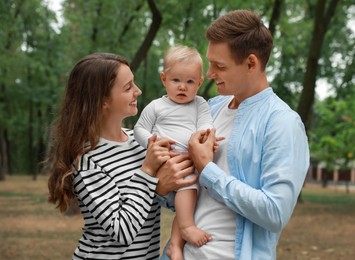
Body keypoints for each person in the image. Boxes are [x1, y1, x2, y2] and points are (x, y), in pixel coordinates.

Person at [162, 9, 310, 260]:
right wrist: (164, 186)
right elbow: (189, 191)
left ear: (251, 63)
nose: (209, 73)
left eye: (219, 65)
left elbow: (275, 213)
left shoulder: (282, 123)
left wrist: (208, 169)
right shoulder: (209, 109)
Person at [46, 53, 197, 260]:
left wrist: (167, 186)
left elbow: (170, 198)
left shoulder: (141, 141)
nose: (138, 91)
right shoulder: (88, 161)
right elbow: (122, 231)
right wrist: (148, 172)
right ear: (102, 101)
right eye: (128, 88)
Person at [134, 45, 214, 258]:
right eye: (176, 80)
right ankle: (186, 228)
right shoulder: (156, 106)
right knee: (188, 189)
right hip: (164, 159)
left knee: (192, 190)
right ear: (164, 79)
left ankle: (175, 245)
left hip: (189, 159)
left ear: (199, 82)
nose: (182, 87)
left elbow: (206, 124)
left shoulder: (199, 104)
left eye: (189, 82)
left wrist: (203, 137)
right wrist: (153, 142)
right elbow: (139, 129)